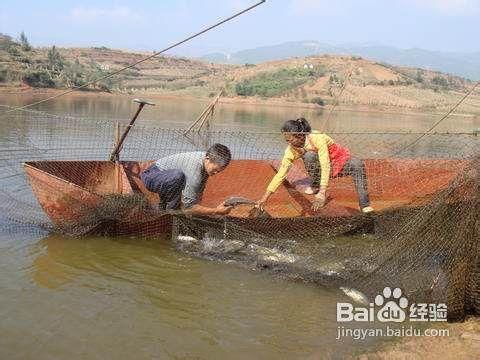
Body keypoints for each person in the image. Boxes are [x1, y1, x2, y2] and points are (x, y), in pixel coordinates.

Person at [257, 118, 373, 213]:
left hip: (336, 161)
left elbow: (325, 164)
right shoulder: (291, 150)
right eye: (287, 140)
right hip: (319, 168)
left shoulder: (317, 137)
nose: (289, 143)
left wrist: (322, 194)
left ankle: (365, 205)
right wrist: (265, 198)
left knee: (357, 164)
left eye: (290, 140)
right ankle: (316, 185)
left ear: (300, 136)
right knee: (309, 156)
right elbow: (281, 174)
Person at [141, 143, 233, 216]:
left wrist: (201, 211)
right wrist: (215, 211)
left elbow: (198, 192)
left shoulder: (205, 164)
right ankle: (170, 212)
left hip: (166, 178)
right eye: (215, 170)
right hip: (152, 176)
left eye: (219, 171)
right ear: (207, 158)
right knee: (177, 177)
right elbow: (188, 207)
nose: (216, 173)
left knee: (178, 180)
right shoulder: (195, 170)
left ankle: (163, 208)